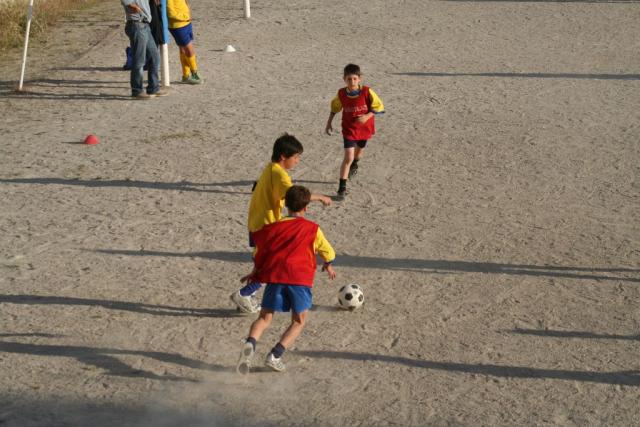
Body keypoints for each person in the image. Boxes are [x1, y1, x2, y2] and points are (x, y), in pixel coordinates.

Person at [236, 185, 337, 374]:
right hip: (300, 279)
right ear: (306, 207)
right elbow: (328, 251)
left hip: (275, 277)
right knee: (298, 321)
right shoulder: (313, 229)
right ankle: (275, 355)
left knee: (264, 318)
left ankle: (250, 343)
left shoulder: (273, 227)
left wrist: (255, 272)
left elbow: (259, 252)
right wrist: (328, 264)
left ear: (286, 205)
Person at [230, 134, 332, 314]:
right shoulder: (280, 175)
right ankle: (244, 294)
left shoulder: (270, 168)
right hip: (267, 226)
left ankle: (248, 296)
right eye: (296, 157)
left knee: (264, 263)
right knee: (273, 266)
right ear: (283, 156)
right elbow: (295, 196)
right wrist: (320, 197)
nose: (298, 161)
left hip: (257, 222)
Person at [325, 63, 385, 197]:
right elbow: (335, 107)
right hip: (349, 129)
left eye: (354, 79)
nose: (352, 82)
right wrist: (329, 123)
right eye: (349, 79)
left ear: (359, 78)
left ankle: (355, 164)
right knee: (348, 157)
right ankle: (342, 188)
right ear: (344, 79)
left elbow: (378, 106)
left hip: (364, 129)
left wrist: (367, 116)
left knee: (357, 155)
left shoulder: (367, 91)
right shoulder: (341, 93)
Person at [121, 0, 168, 99]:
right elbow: (127, 2)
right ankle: (137, 90)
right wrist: (137, 10)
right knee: (139, 60)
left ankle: (153, 88)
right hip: (136, 24)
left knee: (155, 57)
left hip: (145, 25)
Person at [167, 0, 203, 84]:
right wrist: (185, 16)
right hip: (178, 25)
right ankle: (194, 73)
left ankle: (186, 75)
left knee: (183, 49)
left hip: (186, 23)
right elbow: (171, 13)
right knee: (189, 50)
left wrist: (188, 11)